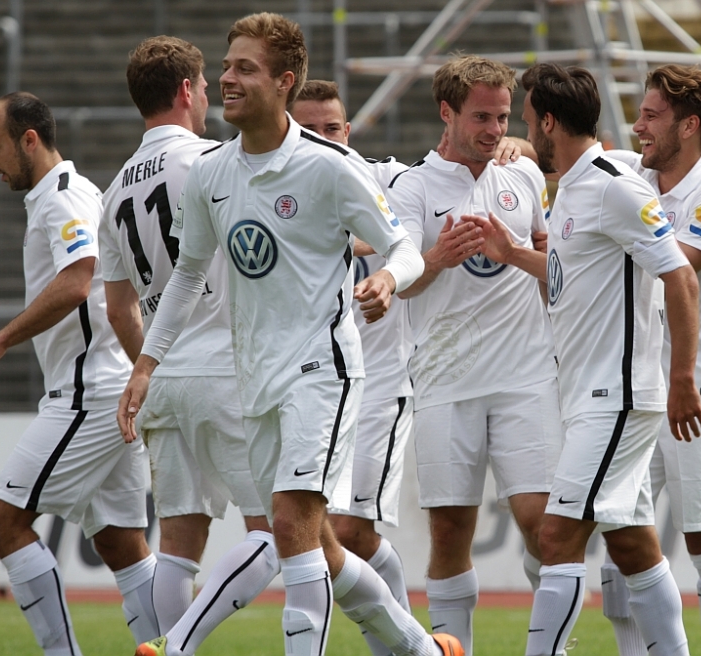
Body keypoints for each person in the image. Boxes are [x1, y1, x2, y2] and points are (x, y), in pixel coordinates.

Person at [117, 13, 461, 656]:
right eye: (226, 66)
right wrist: (146, 364)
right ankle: (422, 648)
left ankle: (184, 646)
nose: (227, 78)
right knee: (320, 545)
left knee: (290, 522)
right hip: (256, 380)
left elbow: (404, 248)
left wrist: (388, 278)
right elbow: (188, 275)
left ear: (285, 81)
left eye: (245, 68)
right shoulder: (212, 172)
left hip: (321, 372)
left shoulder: (329, 167)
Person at [464, 62, 701, 656]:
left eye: (527, 122)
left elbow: (680, 277)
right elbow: (569, 277)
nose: (523, 133)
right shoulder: (570, 186)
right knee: (632, 546)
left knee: (556, 536)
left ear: (549, 122)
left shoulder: (614, 185)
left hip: (616, 397)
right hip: (587, 397)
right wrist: (512, 252)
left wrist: (681, 378)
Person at [99, 36, 280, 656]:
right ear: (185, 90)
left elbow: (117, 308)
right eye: (204, 85)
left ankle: (168, 645)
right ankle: (177, 645)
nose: (209, 95)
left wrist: (150, 368)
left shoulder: (114, 191)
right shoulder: (215, 161)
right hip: (227, 369)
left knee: (177, 545)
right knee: (279, 532)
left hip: (162, 379)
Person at [0, 91, 159, 654]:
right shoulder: (68, 194)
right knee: (121, 544)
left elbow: (77, 281)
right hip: (110, 391)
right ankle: (168, 647)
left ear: (29, 140)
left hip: (88, 392)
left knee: (1, 522)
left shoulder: (65, 197)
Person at [385, 55, 561, 656]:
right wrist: (438, 259)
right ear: (447, 112)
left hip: (525, 378)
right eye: (481, 117)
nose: (494, 129)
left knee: (544, 525)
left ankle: (550, 644)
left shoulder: (524, 175)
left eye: (503, 117)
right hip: (445, 380)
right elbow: (403, 283)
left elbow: (548, 262)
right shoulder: (413, 186)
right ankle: (452, 647)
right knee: (449, 530)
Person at [602, 64, 701, 656]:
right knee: (621, 537)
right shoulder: (634, 176)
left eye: (650, 116)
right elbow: (570, 154)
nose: (638, 127)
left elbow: (676, 268)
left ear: (688, 126)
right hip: (638, 387)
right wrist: (519, 146)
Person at [288, 79, 415, 656]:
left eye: (332, 128)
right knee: (315, 533)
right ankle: (411, 645)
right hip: (311, 383)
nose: (323, 138)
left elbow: (465, 161)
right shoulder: (276, 184)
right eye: (309, 129)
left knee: (350, 532)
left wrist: (517, 145)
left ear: (349, 131)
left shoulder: (387, 178)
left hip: (380, 384)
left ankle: (410, 645)